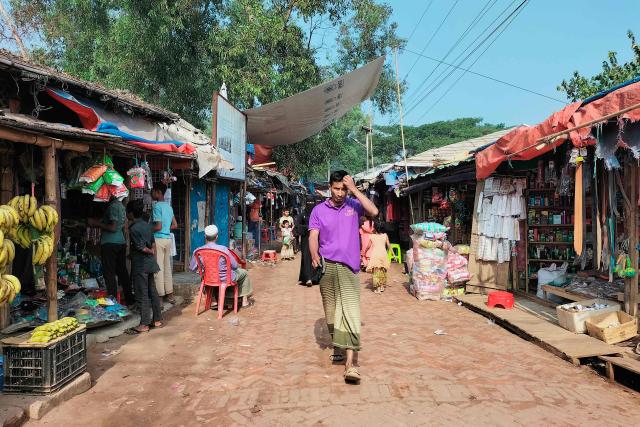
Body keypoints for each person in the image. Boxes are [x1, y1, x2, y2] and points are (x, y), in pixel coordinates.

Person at [309, 170, 378, 384]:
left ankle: (351, 365)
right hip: (327, 265)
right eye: (336, 188)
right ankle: (338, 347)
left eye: (343, 189)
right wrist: (314, 255)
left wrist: (355, 190)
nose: (340, 193)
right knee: (331, 312)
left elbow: (374, 211)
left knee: (350, 311)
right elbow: (313, 236)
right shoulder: (318, 210)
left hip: (349, 267)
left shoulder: (354, 206)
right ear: (329, 187)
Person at [190, 225, 254, 308]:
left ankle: (213, 301)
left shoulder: (198, 251)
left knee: (204, 275)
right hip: (225, 279)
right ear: (216, 237)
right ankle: (244, 302)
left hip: (208, 279)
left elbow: (192, 268)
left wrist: (204, 269)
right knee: (244, 273)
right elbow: (234, 266)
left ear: (205, 236)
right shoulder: (223, 249)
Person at [126, 200, 163, 333]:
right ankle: (157, 320)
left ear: (130, 213)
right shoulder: (147, 226)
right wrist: (151, 254)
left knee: (142, 293)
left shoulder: (133, 228)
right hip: (150, 263)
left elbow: (141, 247)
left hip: (141, 265)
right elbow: (152, 243)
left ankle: (144, 323)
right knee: (152, 291)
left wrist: (148, 251)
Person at [88, 196, 133, 306]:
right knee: (122, 272)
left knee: (109, 273)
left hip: (110, 243)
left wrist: (95, 223)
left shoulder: (113, 206)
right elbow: (121, 227)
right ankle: (129, 299)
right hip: (120, 242)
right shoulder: (121, 206)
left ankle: (113, 301)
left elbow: (113, 227)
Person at [151, 183, 177, 304]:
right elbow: (175, 225)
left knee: (158, 269)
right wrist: (166, 229)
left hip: (159, 240)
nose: (151, 194)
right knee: (167, 268)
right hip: (167, 240)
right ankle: (170, 295)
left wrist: (147, 229)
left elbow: (158, 226)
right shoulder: (168, 207)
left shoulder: (157, 207)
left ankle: (160, 298)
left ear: (158, 192)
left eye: (153, 191)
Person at [364, 221, 391, 293]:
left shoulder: (372, 236)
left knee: (376, 271)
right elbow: (389, 245)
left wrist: (365, 252)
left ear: (375, 228)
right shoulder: (385, 235)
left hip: (375, 254)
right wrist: (393, 254)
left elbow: (368, 246)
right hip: (383, 254)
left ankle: (378, 288)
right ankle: (382, 286)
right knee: (383, 270)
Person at [295, 201, 316, 286]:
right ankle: (308, 278)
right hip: (306, 240)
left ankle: (316, 278)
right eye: (309, 202)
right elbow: (297, 225)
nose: (310, 204)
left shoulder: (317, 214)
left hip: (316, 239)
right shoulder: (302, 214)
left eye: (312, 202)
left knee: (315, 256)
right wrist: (307, 228)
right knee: (307, 257)